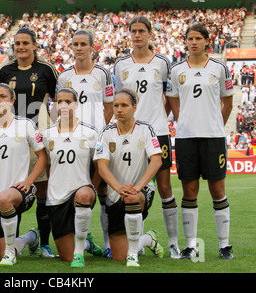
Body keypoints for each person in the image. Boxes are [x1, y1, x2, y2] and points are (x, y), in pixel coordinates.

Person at [113, 16, 180, 258]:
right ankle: (137, 242)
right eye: (134, 31)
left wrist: (160, 119)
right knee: (130, 186)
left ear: (150, 34)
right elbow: (119, 99)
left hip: (158, 133)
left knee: (164, 186)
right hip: (130, 134)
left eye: (142, 30)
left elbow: (171, 97)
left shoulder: (163, 62)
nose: (138, 35)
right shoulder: (121, 64)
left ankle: (173, 242)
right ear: (129, 34)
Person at [166, 23, 234, 260]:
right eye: (189, 38)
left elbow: (228, 103)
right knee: (189, 191)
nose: (193, 42)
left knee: (217, 190)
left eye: (198, 38)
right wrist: (184, 120)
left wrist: (215, 123)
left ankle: (224, 245)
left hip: (213, 138)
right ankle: (191, 246)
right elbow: (174, 102)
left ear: (207, 41)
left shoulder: (220, 68)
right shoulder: (176, 70)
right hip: (186, 138)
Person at [0, 27, 58, 257]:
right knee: (15, 186)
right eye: (17, 43)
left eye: (25, 43)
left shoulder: (46, 69)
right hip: (13, 136)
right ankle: (13, 243)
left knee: (43, 191)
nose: (20, 47)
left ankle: (43, 244)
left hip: (40, 134)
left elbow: (57, 100)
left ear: (34, 45)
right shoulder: (5, 70)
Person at [0, 83, 48, 266]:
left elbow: (42, 156)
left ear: (12, 101)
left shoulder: (25, 125)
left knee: (5, 199)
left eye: (3, 97)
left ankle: (11, 251)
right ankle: (30, 237)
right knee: (2, 253)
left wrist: (29, 181)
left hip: (20, 191)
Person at [57, 29, 114, 257]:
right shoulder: (64, 77)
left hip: (96, 142)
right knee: (76, 191)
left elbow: (109, 106)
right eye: (75, 44)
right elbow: (59, 109)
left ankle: (109, 243)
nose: (79, 48)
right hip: (72, 144)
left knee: (103, 191)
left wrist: (97, 132)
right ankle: (82, 238)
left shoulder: (102, 73)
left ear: (92, 47)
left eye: (83, 44)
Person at [94, 89, 165, 267]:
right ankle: (148, 239)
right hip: (115, 193)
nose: (119, 109)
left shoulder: (146, 129)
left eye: (124, 105)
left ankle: (133, 254)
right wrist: (118, 187)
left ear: (134, 107)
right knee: (118, 256)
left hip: (140, 191)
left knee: (131, 197)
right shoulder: (106, 132)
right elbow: (101, 167)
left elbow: (156, 161)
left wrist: (138, 187)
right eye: (116, 105)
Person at [43, 87, 102, 268]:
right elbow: (46, 165)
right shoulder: (47, 134)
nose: (63, 105)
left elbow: (100, 166)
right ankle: (86, 243)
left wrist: (92, 188)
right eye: (59, 102)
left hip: (81, 191)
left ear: (76, 105)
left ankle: (79, 253)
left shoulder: (90, 133)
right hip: (56, 196)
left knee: (84, 195)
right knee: (65, 257)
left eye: (68, 102)